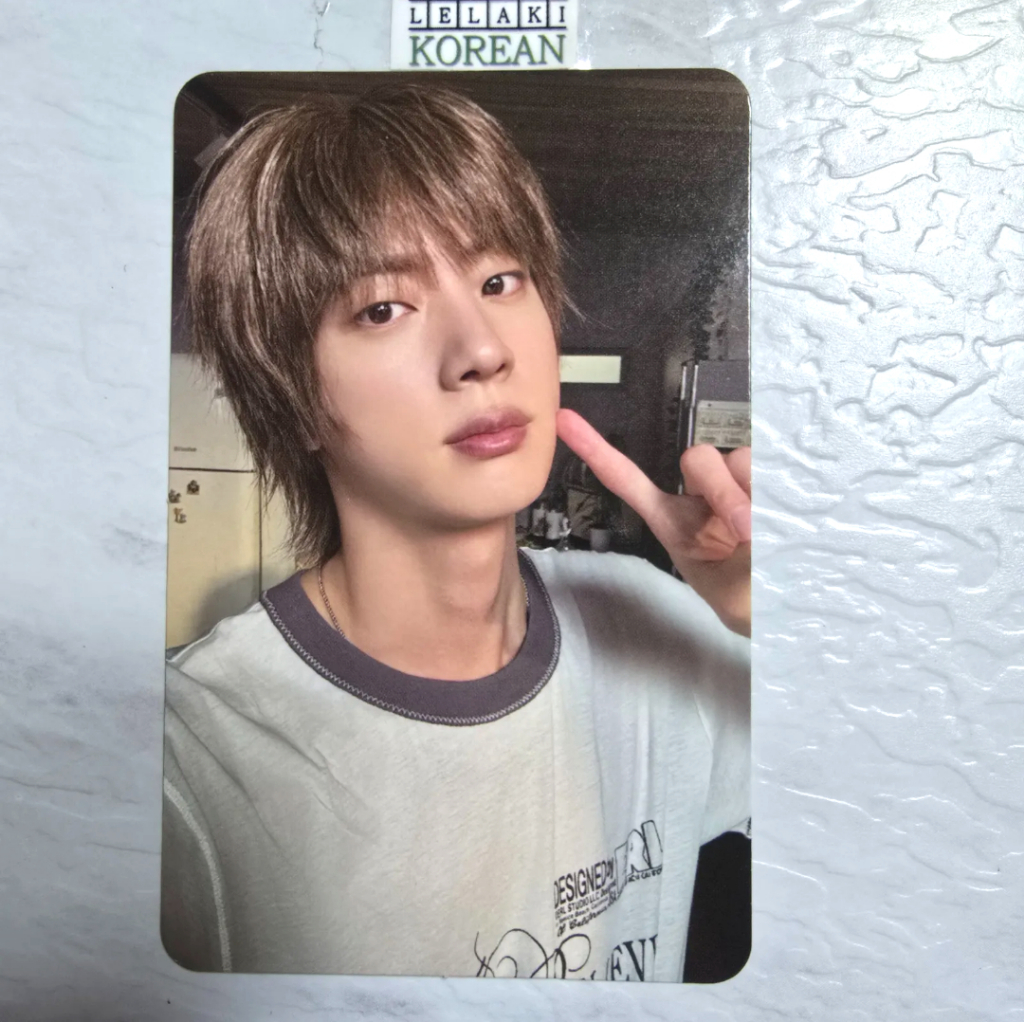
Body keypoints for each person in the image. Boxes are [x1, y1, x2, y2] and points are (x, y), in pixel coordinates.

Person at [161, 82, 751, 981]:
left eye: (498, 281)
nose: (481, 349)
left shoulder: (649, 619)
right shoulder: (194, 764)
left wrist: (777, 620)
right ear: (293, 395)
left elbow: (919, 822)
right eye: (382, 308)